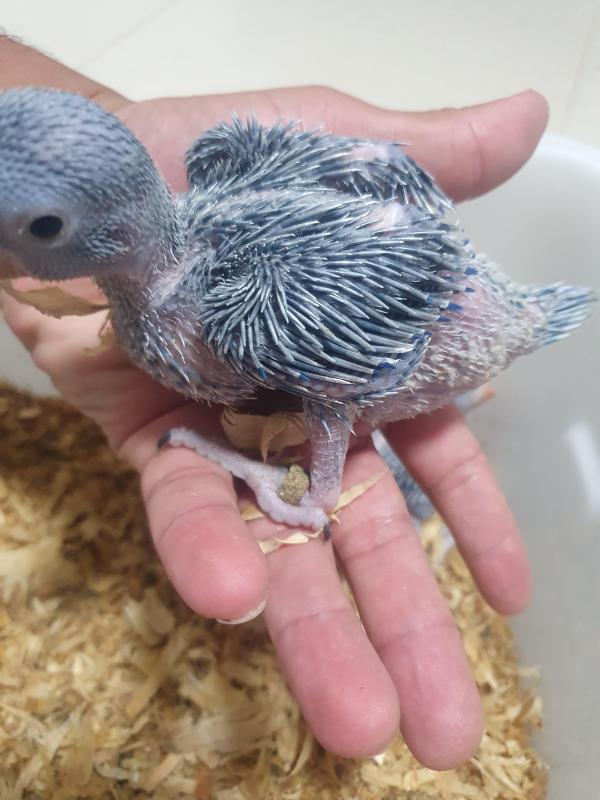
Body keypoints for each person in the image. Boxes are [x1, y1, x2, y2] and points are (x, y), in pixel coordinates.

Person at [0, 33, 548, 769]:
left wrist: (295, 483)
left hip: (441, 330)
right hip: (376, 310)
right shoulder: (186, 228)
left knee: (311, 400)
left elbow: (332, 395)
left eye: (39, 231)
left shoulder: (233, 313)